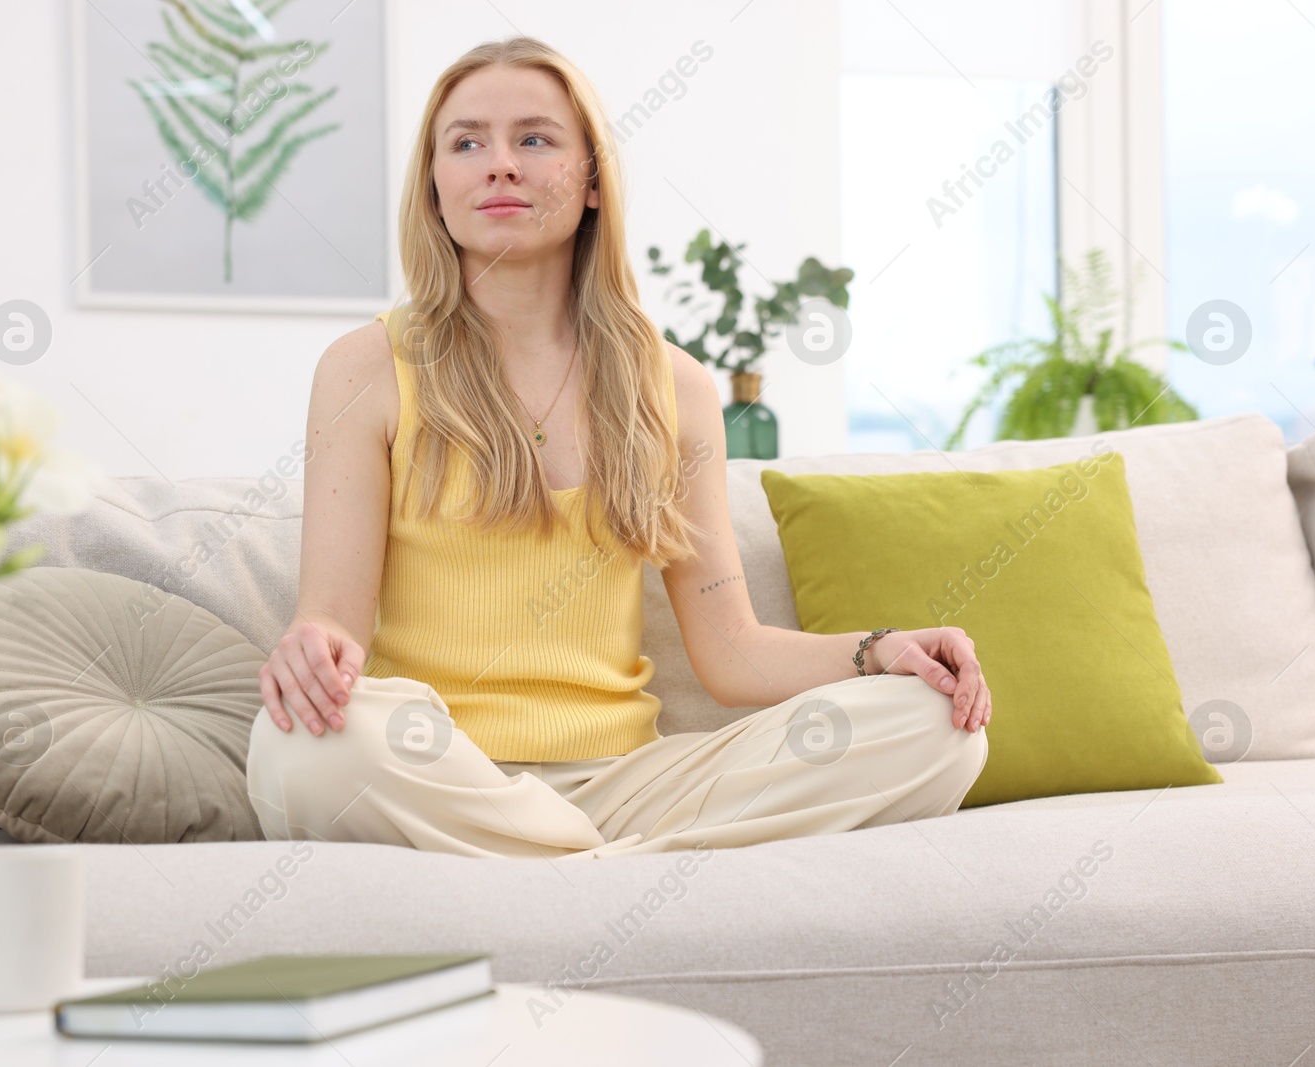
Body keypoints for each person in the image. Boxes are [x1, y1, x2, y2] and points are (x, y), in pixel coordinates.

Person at [245, 35, 990, 860]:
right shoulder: (366, 367)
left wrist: (881, 650)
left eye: (534, 138)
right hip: (435, 761)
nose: (498, 163)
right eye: (465, 143)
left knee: (936, 727)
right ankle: (606, 873)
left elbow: (732, 652)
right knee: (302, 748)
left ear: (593, 180)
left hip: (629, 783)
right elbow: (332, 625)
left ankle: (555, 860)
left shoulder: (676, 386)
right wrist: (311, 649)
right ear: (435, 188)